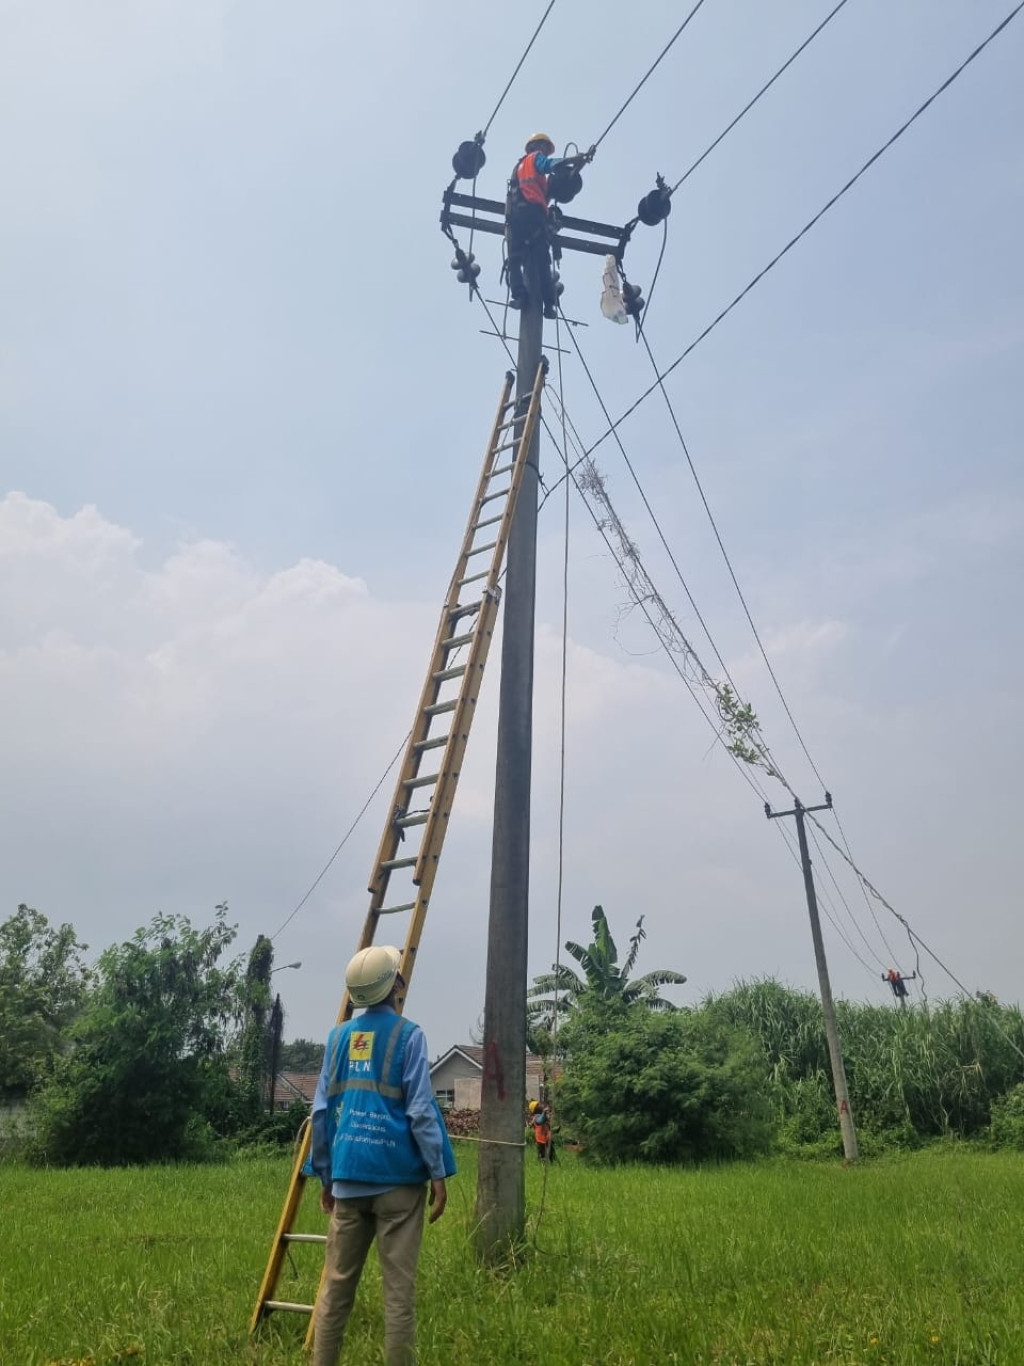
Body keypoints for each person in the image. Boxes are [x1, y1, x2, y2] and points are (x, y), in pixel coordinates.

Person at [310, 945, 456, 1366]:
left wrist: (325, 1177)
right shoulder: (410, 1035)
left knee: (335, 1291)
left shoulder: (337, 1038)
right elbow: (421, 1111)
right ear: (395, 986)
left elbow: (321, 1113)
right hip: (399, 1185)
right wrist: (439, 1174)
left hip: (348, 1178)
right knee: (398, 1296)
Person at [506, 133, 594, 318]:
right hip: (534, 215)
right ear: (536, 146)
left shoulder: (518, 168)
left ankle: (519, 295)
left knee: (515, 259)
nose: (545, 152)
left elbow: (545, 190)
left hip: (517, 217)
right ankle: (548, 305)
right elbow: (549, 165)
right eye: (545, 147)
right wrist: (574, 159)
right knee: (542, 262)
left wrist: (576, 167)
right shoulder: (535, 159)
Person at [528, 1097, 554, 1162]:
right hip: (541, 1140)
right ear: (535, 1109)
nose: (540, 1106)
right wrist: (544, 1113)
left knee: (551, 1155)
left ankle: (551, 1164)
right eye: (538, 1106)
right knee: (542, 1156)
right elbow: (540, 1121)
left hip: (547, 1138)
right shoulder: (536, 1117)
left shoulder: (541, 1115)